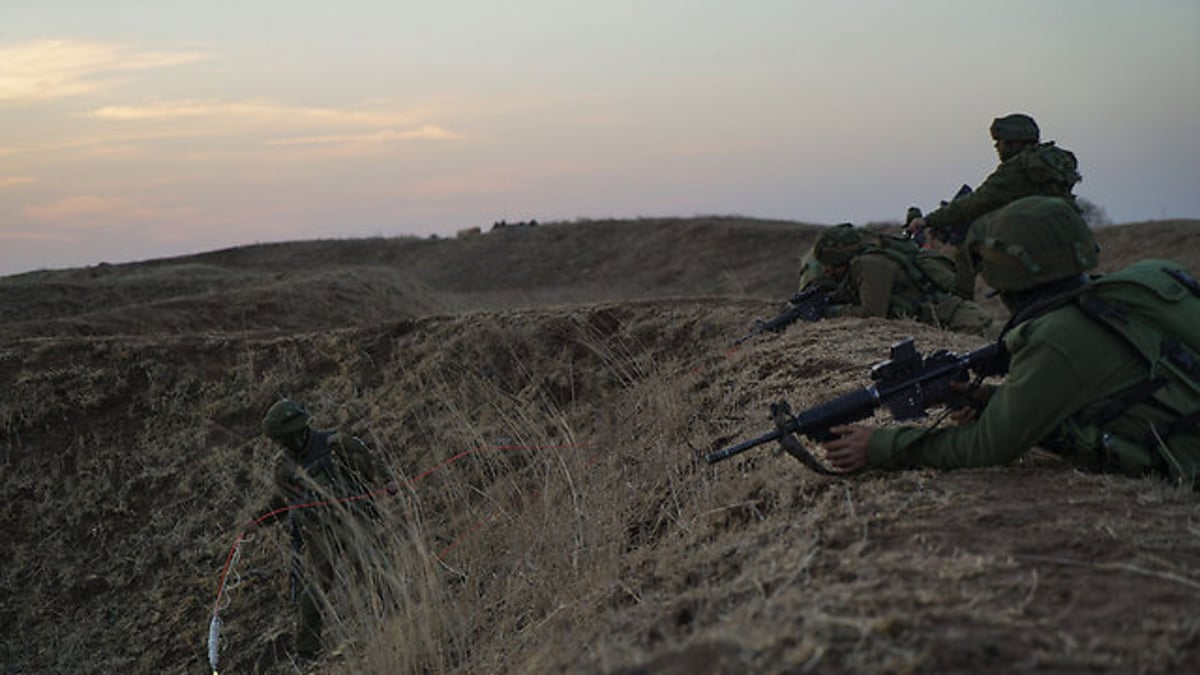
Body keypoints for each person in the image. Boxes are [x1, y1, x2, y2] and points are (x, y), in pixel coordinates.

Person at [818, 196, 1200, 485]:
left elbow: (989, 447)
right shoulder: (1136, 286)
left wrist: (879, 445)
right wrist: (992, 400)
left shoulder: (1056, 336)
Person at [246, 398, 395, 660]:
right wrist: (258, 521)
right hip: (317, 533)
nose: (282, 445)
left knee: (374, 568)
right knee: (315, 590)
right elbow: (282, 501)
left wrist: (388, 482)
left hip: (351, 520)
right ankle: (306, 650)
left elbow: (370, 464)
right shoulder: (285, 467)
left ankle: (400, 616)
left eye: (284, 438)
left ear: (296, 432)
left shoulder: (334, 445)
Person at [907, 113, 1082, 299]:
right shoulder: (1051, 161)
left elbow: (973, 204)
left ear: (1014, 143)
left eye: (1000, 142)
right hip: (1068, 230)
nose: (996, 147)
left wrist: (927, 220)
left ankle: (961, 298)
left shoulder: (1016, 169)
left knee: (968, 237)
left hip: (1033, 237)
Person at [810, 223, 997, 338]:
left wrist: (829, 312)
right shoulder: (860, 264)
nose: (827, 270)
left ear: (842, 258)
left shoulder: (869, 263)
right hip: (954, 325)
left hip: (968, 325)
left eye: (830, 265)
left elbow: (872, 313)